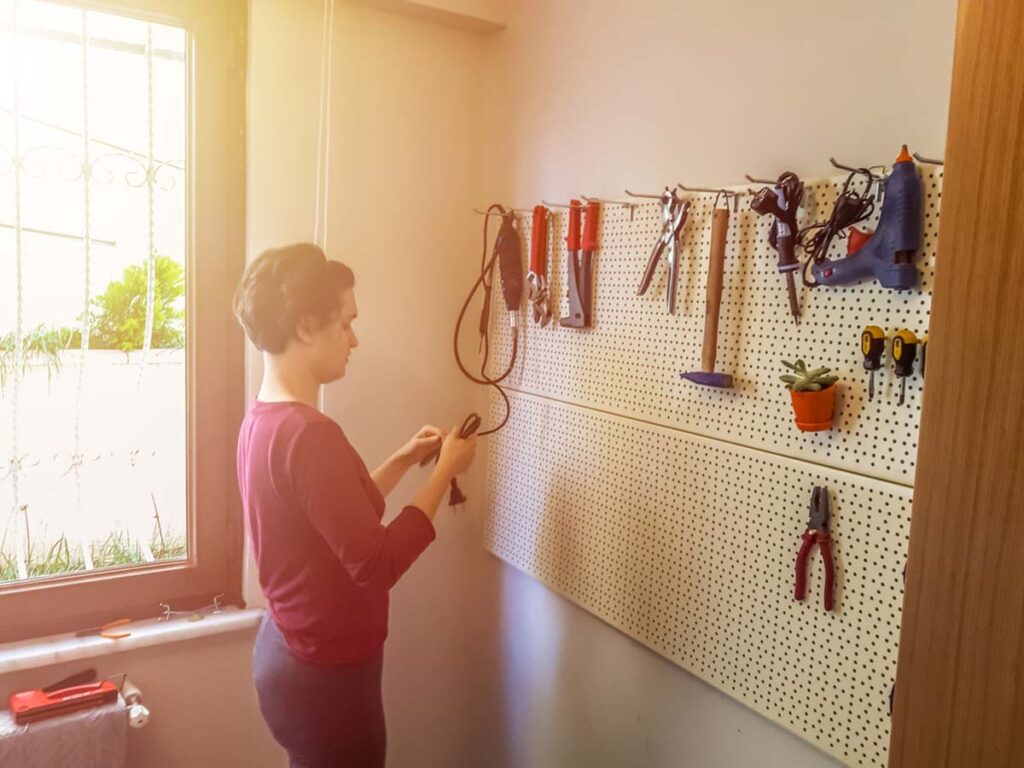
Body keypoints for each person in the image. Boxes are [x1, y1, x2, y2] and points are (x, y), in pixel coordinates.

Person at [233, 243, 477, 768]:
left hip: (287, 651)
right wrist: (443, 473)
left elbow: (333, 515)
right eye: (345, 324)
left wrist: (403, 458)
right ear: (304, 327)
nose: (354, 339)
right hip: (326, 679)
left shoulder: (265, 419)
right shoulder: (309, 434)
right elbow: (375, 562)